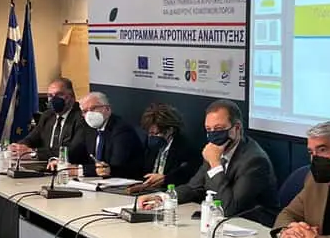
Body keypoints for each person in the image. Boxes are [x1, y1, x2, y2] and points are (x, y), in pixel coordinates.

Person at [139, 99, 278, 225]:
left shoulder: (254, 161)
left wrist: (215, 164)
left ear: (237, 128)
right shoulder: (216, 150)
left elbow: (229, 208)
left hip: (254, 227)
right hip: (224, 224)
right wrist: (162, 198)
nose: (213, 135)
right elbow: (193, 188)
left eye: (218, 129)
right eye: (208, 130)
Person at [69, 92, 144, 180]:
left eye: (93, 108)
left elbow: (113, 167)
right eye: (85, 111)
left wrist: (80, 171)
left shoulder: (122, 130)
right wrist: (60, 162)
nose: (89, 114)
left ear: (107, 109)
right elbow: (74, 153)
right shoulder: (88, 128)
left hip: (125, 182)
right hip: (97, 181)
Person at [128, 102, 200, 193]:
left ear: (170, 130)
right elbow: (137, 169)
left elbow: (186, 176)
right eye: (150, 133)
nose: (151, 137)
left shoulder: (186, 149)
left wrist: (165, 179)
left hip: (170, 194)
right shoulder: (148, 144)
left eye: (155, 134)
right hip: (147, 191)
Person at [11, 77, 84, 161]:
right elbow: (31, 138)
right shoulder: (47, 115)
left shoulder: (81, 117)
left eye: (59, 94)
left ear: (71, 96)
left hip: (68, 165)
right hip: (45, 164)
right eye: (50, 96)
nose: (53, 99)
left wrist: (34, 153)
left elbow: (72, 151)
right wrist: (19, 147)